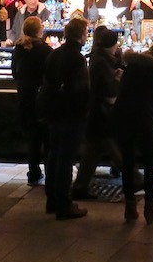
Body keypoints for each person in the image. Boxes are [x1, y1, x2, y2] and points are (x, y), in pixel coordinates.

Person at [113, 39, 153, 223]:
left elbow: (121, 89)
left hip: (122, 114)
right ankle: (150, 208)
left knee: (128, 161)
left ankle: (130, 208)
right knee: (149, 162)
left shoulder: (133, 64)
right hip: (144, 117)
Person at [41, 16, 90, 219]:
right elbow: (82, 90)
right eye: (86, 32)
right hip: (70, 114)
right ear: (80, 35)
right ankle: (64, 204)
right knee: (66, 159)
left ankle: (52, 200)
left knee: (54, 156)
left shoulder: (55, 54)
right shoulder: (77, 58)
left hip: (53, 111)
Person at [71, 25, 126, 201]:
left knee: (93, 152)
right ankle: (134, 178)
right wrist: (118, 77)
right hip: (100, 111)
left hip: (96, 112)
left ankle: (80, 186)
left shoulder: (99, 58)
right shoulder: (101, 61)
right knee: (106, 147)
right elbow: (106, 87)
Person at [11, 16, 51, 186]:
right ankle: (50, 173)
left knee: (32, 139)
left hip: (24, 99)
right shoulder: (46, 51)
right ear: (39, 30)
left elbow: (14, 73)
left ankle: (33, 172)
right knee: (47, 139)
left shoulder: (18, 49)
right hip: (42, 99)